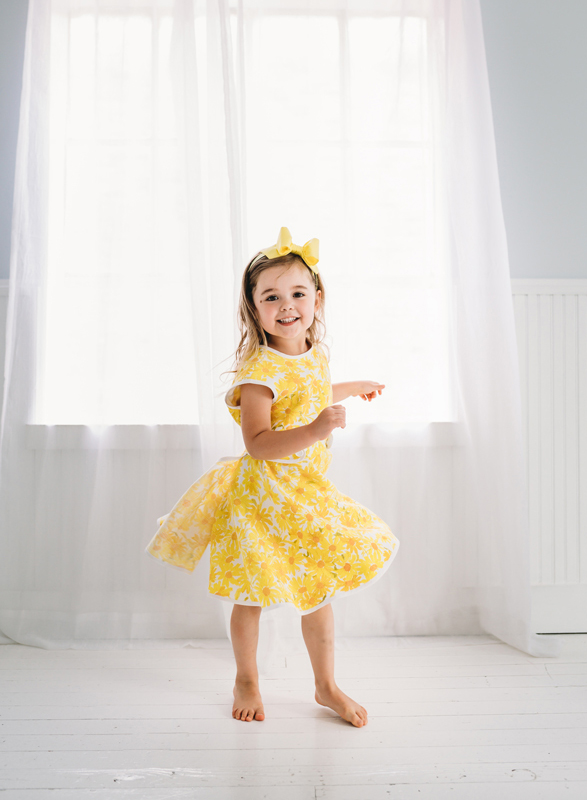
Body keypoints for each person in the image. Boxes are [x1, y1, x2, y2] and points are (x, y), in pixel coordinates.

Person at [145, 226, 399, 727]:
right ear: (254, 309)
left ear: (318, 301)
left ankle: (325, 686)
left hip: (304, 496)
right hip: (260, 500)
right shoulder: (258, 371)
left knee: (318, 590)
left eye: (298, 293)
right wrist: (313, 430)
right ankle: (246, 677)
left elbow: (313, 387)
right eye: (271, 297)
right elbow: (258, 444)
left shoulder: (314, 353)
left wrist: (350, 388)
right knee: (252, 595)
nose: (287, 305)